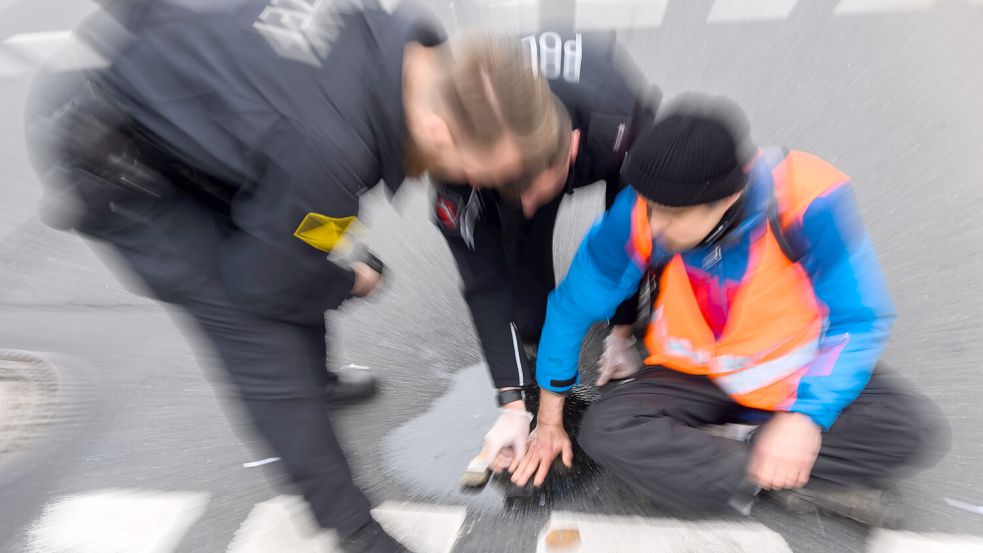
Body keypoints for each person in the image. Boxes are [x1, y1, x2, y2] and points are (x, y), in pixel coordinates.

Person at [26, 1, 561, 551]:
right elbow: (265, 285)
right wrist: (345, 283)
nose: (476, 183)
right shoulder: (329, 155)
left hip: (187, 102)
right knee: (262, 337)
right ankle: (352, 530)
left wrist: (317, 269)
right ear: (438, 128)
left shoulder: (391, 48)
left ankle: (319, 380)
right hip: (116, 156)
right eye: (480, 170)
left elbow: (290, 230)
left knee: (292, 250)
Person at [511, 94, 948, 526]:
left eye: (671, 214)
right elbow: (570, 308)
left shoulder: (806, 197)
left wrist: (804, 419)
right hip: (693, 374)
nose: (654, 224)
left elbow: (859, 319)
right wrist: (549, 420)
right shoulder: (638, 213)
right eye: (649, 207)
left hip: (794, 370)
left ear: (726, 198)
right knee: (605, 430)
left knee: (910, 429)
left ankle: (738, 461)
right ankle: (783, 472)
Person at [434, 30, 659, 473]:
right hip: (516, 157)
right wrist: (512, 404)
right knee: (527, 312)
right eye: (517, 193)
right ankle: (518, 202)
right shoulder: (457, 164)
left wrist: (622, 330)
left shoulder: (613, 123)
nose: (533, 206)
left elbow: (631, 234)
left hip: (607, 125)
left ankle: (627, 326)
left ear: (571, 151)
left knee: (646, 240)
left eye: (540, 193)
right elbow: (483, 283)